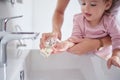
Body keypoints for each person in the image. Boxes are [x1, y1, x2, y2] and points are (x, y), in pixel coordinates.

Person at [40, 0, 120, 68]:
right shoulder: (78, 19)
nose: (86, 8)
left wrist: (116, 56)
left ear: (107, 5)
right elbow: (75, 38)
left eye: (93, 4)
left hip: (103, 59)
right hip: (85, 59)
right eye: (83, 3)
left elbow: (117, 38)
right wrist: (65, 44)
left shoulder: (110, 21)